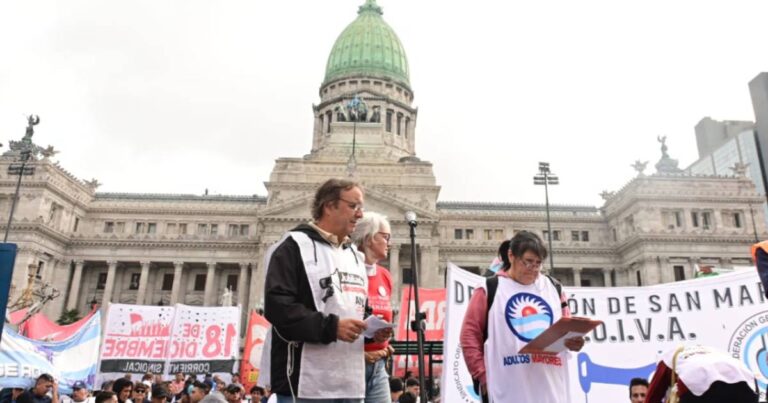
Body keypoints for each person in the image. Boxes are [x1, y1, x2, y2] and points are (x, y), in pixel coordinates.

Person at [264, 178, 370, 402]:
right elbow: (278, 308)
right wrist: (332, 327)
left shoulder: (354, 256)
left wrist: (370, 329)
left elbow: (357, 308)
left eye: (361, 207)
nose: (360, 215)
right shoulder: (293, 247)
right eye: (353, 206)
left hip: (349, 382)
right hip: (304, 381)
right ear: (329, 206)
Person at [460, 231, 585, 403]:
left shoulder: (555, 288)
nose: (533, 269)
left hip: (550, 389)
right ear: (511, 256)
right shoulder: (488, 289)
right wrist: (482, 376)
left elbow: (566, 329)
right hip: (506, 389)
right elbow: (469, 336)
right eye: (528, 262)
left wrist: (574, 341)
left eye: (538, 264)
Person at [351, 212, 395, 403]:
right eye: (385, 237)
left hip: (378, 366)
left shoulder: (385, 275)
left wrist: (384, 336)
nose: (389, 242)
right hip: (350, 366)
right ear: (369, 239)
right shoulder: (348, 271)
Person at [645, 344, 759, 402]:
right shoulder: (713, 352)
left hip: (699, 386)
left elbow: (652, 397)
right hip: (746, 383)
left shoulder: (665, 359)